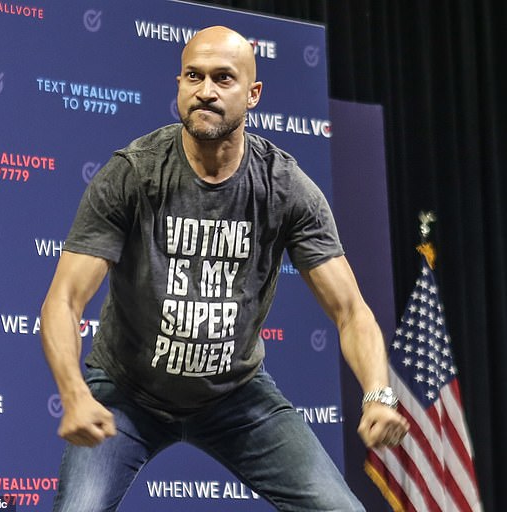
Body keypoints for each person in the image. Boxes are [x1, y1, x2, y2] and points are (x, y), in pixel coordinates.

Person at [40, 25, 409, 511]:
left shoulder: (284, 187)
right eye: (193, 76)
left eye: (223, 78)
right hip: (127, 393)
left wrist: (378, 394)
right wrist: (73, 393)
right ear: (178, 85)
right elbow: (64, 301)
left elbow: (351, 311)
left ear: (253, 94)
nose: (206, 91)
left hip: (235, 396)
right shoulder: (134, 173)